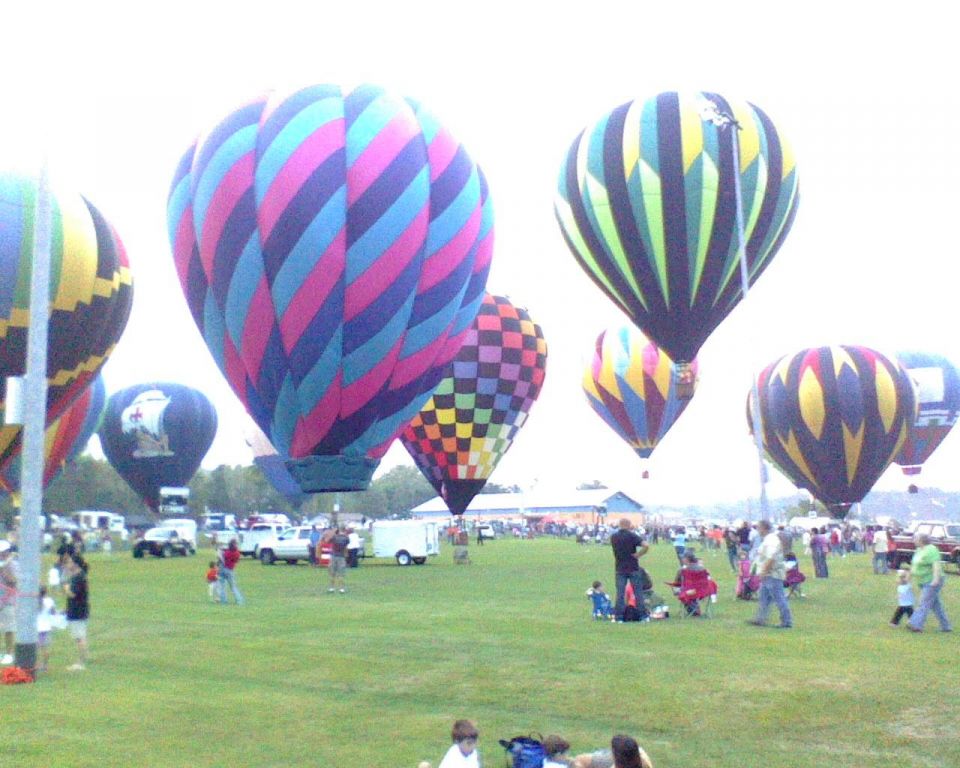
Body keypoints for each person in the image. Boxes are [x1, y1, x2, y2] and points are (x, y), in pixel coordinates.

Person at [747, 519, 793, 629]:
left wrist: (764, 571)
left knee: (779, 598)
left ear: (763, 528)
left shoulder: (771, 540)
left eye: (759, 527)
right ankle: (760, 619)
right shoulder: (768, 539)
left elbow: (771, 557)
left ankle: (786, 621)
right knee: (764, 598)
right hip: (768, 573)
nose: (757, 530)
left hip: (772, 574)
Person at [907, 533, 952, 633]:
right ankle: (946, 626)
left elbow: (936, 565)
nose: (913, 540)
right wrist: (908, 577)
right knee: (936, 605)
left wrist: (935, 579)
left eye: (915, 539)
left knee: (924, 602)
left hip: (932, 581)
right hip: (922, 581)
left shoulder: (932, 549)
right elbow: (914, 565)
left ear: (921, 540)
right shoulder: (919, 550)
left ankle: (916, 625)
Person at [610, 518, 650, 622]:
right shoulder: (632, 536)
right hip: (633, 567)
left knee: (620, 593)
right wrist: (639, 554)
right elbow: (646, 545)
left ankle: (618, 617)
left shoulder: (614, 536)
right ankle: (643, 616)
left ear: (619, 524)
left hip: (620, 567)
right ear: (629, 525)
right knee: (638, 593)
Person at [62, 552, 90, 671]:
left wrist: (65, 587)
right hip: (79, 609)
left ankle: (81, 662)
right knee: (81, 635)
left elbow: (73, 594)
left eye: (69, 562)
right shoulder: (79, 575)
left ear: (75, 564)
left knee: (79, 637)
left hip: (77, 611)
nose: (67, 564)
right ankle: (85, 656)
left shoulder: (78, 577)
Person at [0, 540, 17, 665]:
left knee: (9, 628)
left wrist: (4, 568)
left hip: (8, 601)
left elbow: (13, 581)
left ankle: (9, 653)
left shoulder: (13, 565)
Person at [36, 586, 59, 674]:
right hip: (47, 627)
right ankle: (45, 666)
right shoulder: (49, 601)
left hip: (37, 627)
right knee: (45, 648)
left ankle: (37, 665)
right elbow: (53, 612)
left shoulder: (35, 602)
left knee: (36, 648)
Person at [219, 539, 244, 605]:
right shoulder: (237, 553)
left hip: (222, 569)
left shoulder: (226, 552)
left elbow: (222, 557)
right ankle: (239, 601)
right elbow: (237, 560)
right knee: (233, 586)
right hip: (230, 570)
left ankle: (223, 601)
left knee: (222, 586)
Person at [328, 527, 349, 593]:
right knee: (341, 574)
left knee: (332, 573)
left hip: (334, 556)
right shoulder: (346, 538)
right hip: (341, 557)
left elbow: (327, 540)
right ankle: (342, 588)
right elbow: (347, 545)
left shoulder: (334, 537)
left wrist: (332, 532)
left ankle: (332, 588)